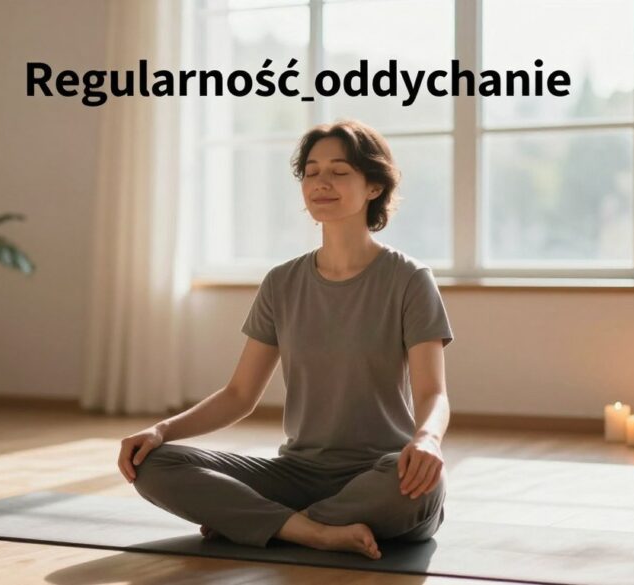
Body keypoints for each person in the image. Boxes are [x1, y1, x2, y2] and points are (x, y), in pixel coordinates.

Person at [117, 119, 454, 560]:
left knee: (415, 489)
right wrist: (161, 430)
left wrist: (426, 440)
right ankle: (314, 531)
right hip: (296, 473)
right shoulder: (282, 282)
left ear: (373, 186)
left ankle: (262, 522)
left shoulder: (409, 279)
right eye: (311, 172)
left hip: (382, 472)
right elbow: (239, 395)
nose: (321, 183)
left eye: (339, 171)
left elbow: (433, 392)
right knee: (152, 465)